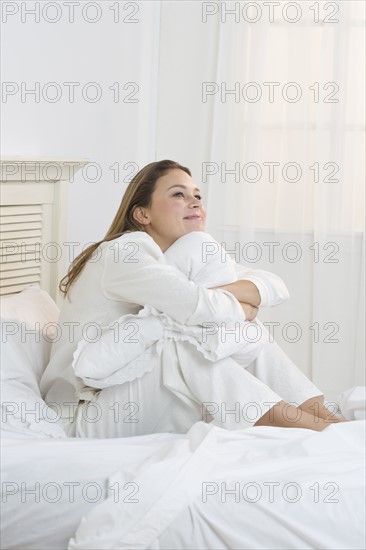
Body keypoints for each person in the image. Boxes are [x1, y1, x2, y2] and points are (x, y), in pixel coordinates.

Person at [40, 160, 346, 438]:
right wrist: (237, 305)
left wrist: (221, 303)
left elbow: (273, 286)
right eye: (178, 194)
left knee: (248, 333)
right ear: (142, 213)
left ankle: (329, 422)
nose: (194, 202)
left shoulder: (176, 259)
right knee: (185, 346)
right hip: (87, 416)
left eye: (198, 195)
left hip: (128, 394)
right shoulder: (124, 252)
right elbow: (199, 308)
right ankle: (319, 434)